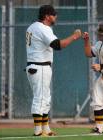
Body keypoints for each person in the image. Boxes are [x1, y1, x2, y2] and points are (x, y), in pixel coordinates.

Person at [25, 5, 81, 136]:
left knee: (45, 98)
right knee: (40, 98)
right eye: (53, 14)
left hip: (36, 66)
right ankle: (38, 131)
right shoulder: (42, 28)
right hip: (40, 66)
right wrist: (74, 36)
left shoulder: (33, 26)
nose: (55, 16)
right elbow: (58, 45)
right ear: (47, 16)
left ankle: (46, 129)